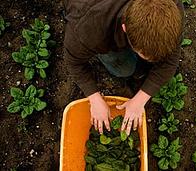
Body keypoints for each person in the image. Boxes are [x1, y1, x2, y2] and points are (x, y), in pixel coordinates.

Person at [63, 0, 184, 135]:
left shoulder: (172, 8)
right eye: (143, 54)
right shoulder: (88, 29)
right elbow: (73, 63)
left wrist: (139, 100)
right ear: (124, 28)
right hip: (88, 11)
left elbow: (170, 62)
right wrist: (94, 98)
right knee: (124, 69)